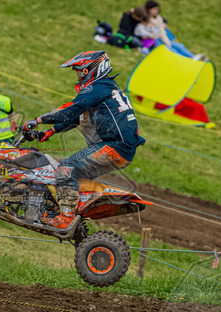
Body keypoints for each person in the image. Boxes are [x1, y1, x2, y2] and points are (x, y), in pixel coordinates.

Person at [23, 51, 145, 230]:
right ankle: (72, 215)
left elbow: (71, 109)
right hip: (122, 149)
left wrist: (38, 120)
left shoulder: (97, 87)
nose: (79, 76)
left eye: (81, 71)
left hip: (114, 147)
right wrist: (49, 131)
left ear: (91, 70)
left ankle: (65, 218)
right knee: (73, 177)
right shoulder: (106, 87)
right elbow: (79, 115)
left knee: (66, 169)